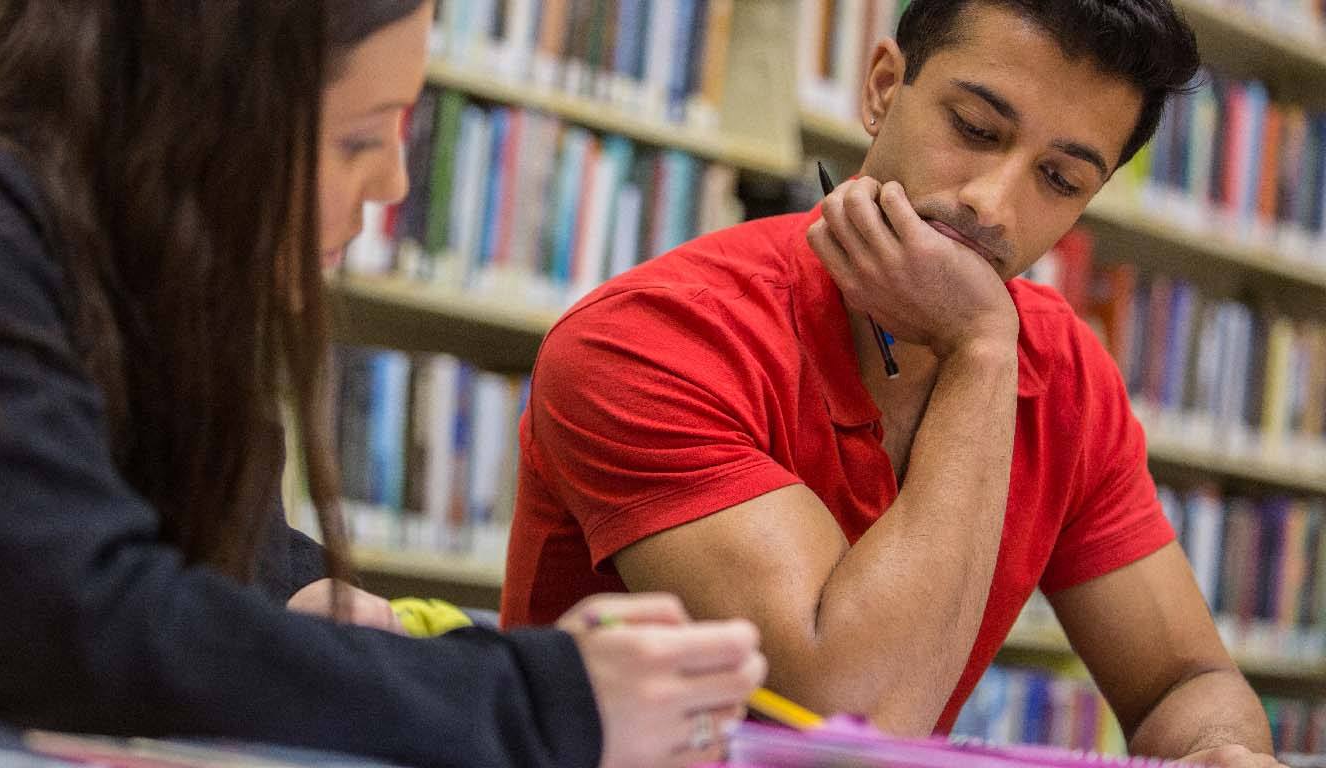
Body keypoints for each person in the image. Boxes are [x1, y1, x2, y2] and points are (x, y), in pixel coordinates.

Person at [0, 3, 767, 767]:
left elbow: (216, 546)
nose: (391, 185)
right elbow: (88, 629)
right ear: (204, 105)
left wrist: (305, 591)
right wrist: (548, 701)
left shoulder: (156, 271)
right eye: (358, 139)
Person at [502, 2, 1285, 766]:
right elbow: (848, 726)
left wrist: (1221, 749)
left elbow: (1182, 681)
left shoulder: (1069, 370)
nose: (993, 204)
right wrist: (979, 348)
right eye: (975, 130)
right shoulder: (649, 338)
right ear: (882, 88)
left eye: (1059, 177)